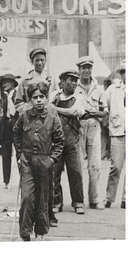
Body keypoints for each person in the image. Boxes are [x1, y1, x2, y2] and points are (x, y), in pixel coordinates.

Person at [13, 82, 64, 241]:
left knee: (43, 198)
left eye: (42, 97)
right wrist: (19, 155)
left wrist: (52, 159)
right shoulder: (24, 116)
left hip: (44, 162)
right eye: (35, 97)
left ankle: (41, 231)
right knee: (27, 197)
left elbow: (60, 142)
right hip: (27, 161)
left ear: (46, 98)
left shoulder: (53, 117)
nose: (39, 100)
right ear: (30, 100)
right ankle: (25, 231)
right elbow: (16, 134)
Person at [51, 70, 85, 214]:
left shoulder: (79, 97)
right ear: (63, 81)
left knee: (75, 171)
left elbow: (75, 112)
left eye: (76, 80)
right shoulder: (54, 96)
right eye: (71, 80)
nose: (74, 83)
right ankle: (56, 202)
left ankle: (78, 202)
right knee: (54, 172)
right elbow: (47, 111)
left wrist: (56, 109)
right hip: (56, 140)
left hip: (72, 140)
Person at [75, 56, 106, 209]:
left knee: (95, 165)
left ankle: (94, 199)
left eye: (88, 67)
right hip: (78, 127)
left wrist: (93, 112)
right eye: (83, 68)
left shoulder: (98, 89)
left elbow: (104, 112)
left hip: (94, 128)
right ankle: (79, 200)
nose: (86, 70)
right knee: (78, 165)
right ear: (78, 70)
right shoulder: (74, 88)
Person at [103, 62, 126, 209]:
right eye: (123, 71)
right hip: (118, 131)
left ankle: (126, 198)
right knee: (116, 166)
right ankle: (109, 197)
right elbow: (104, 102)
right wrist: (106, 111)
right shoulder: (114, 88)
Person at [0, 73, 20, 189]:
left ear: (12, 83)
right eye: (3, 82)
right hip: (5, 126)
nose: (5, 84)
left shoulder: (17, 95)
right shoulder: (1, 96)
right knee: (5, 154)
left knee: (19, 153)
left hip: (16, 125)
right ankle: (6, 181)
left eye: (8, 82)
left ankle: (23, 179)